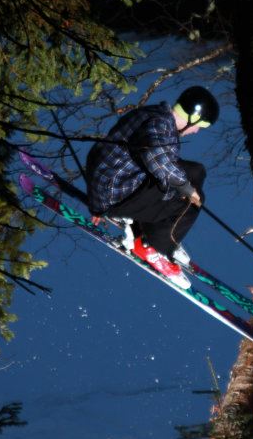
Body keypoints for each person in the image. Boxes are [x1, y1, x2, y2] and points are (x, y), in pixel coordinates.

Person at [86, 86, 220, 288]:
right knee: (189, 203)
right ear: (192, 118)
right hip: (117, 193)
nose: (197, 131)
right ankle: (153, 248)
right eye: (199, 126)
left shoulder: (155, 115)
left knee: (196, 172)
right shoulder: (160, 125)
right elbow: (156, 158)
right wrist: (186, 189)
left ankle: (153, 229)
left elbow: (158, 158)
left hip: (112, 183)